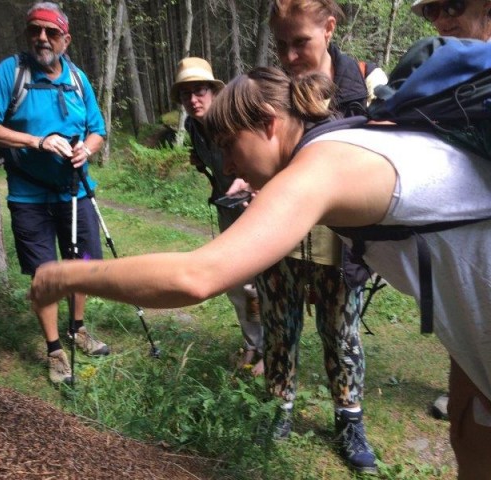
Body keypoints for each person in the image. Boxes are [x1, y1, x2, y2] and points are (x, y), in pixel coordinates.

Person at [30, 66, 491, 480]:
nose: (228, 165)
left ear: (270, 123)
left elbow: (197, 275)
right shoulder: (347, 141)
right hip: (472, 327)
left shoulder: (324, 166)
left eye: (230, 146)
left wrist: (68, 275)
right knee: (469, 443)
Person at [254, 0, 386, 473]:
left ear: (329, 29)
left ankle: (349, 421)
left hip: (340, 238)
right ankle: (279, 410)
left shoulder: (366, 84)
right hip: (281, 231)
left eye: (301, 43)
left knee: (341, 332)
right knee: (278, 325)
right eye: (282, 45)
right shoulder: (272, 89)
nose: (290, 56)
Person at [0, 2, 110, 385]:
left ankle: (77, 328)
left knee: (81, 266)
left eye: (50, 32)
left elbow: (98, 129)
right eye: (35, 30)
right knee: (45, 275)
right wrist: (35, 141)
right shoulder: (10, 72)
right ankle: (55, 350)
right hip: (29, 195)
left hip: (75, 191)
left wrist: (88, 149)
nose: (41, 38)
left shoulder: (79, 79)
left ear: (66, 39)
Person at [411, 0, 491, 422]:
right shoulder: (452, 78)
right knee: (466, 428)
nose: (442, 21)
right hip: (472, 263)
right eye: (433, 12)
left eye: (455, 6)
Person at [170, 57, 264, 375]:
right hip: (227, 210)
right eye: (186, 95)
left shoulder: (236, 120)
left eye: (200, 91)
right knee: (235, 282)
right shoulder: (192, 126)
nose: (193, 100)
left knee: (263, 282)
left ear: (213, 91)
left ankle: (272, 351)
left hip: (258, 209)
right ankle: (253, 344)